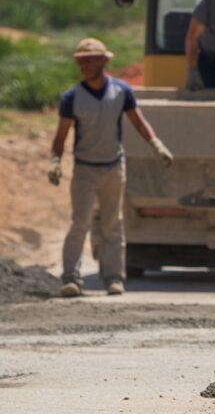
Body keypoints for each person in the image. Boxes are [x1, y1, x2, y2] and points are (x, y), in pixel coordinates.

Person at [48, 38, 174, 297]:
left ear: (104, 62)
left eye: (90, 60)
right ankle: (71, 277)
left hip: (113, 168)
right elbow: (61, 136)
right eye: (81, 61)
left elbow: (139, 123)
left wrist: (156, 144)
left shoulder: (121, 92)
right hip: (85, 169)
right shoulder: (72, 98)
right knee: (80, 222)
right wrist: (55, 161)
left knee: (112, 224)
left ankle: (114, 277)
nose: (84, 66)